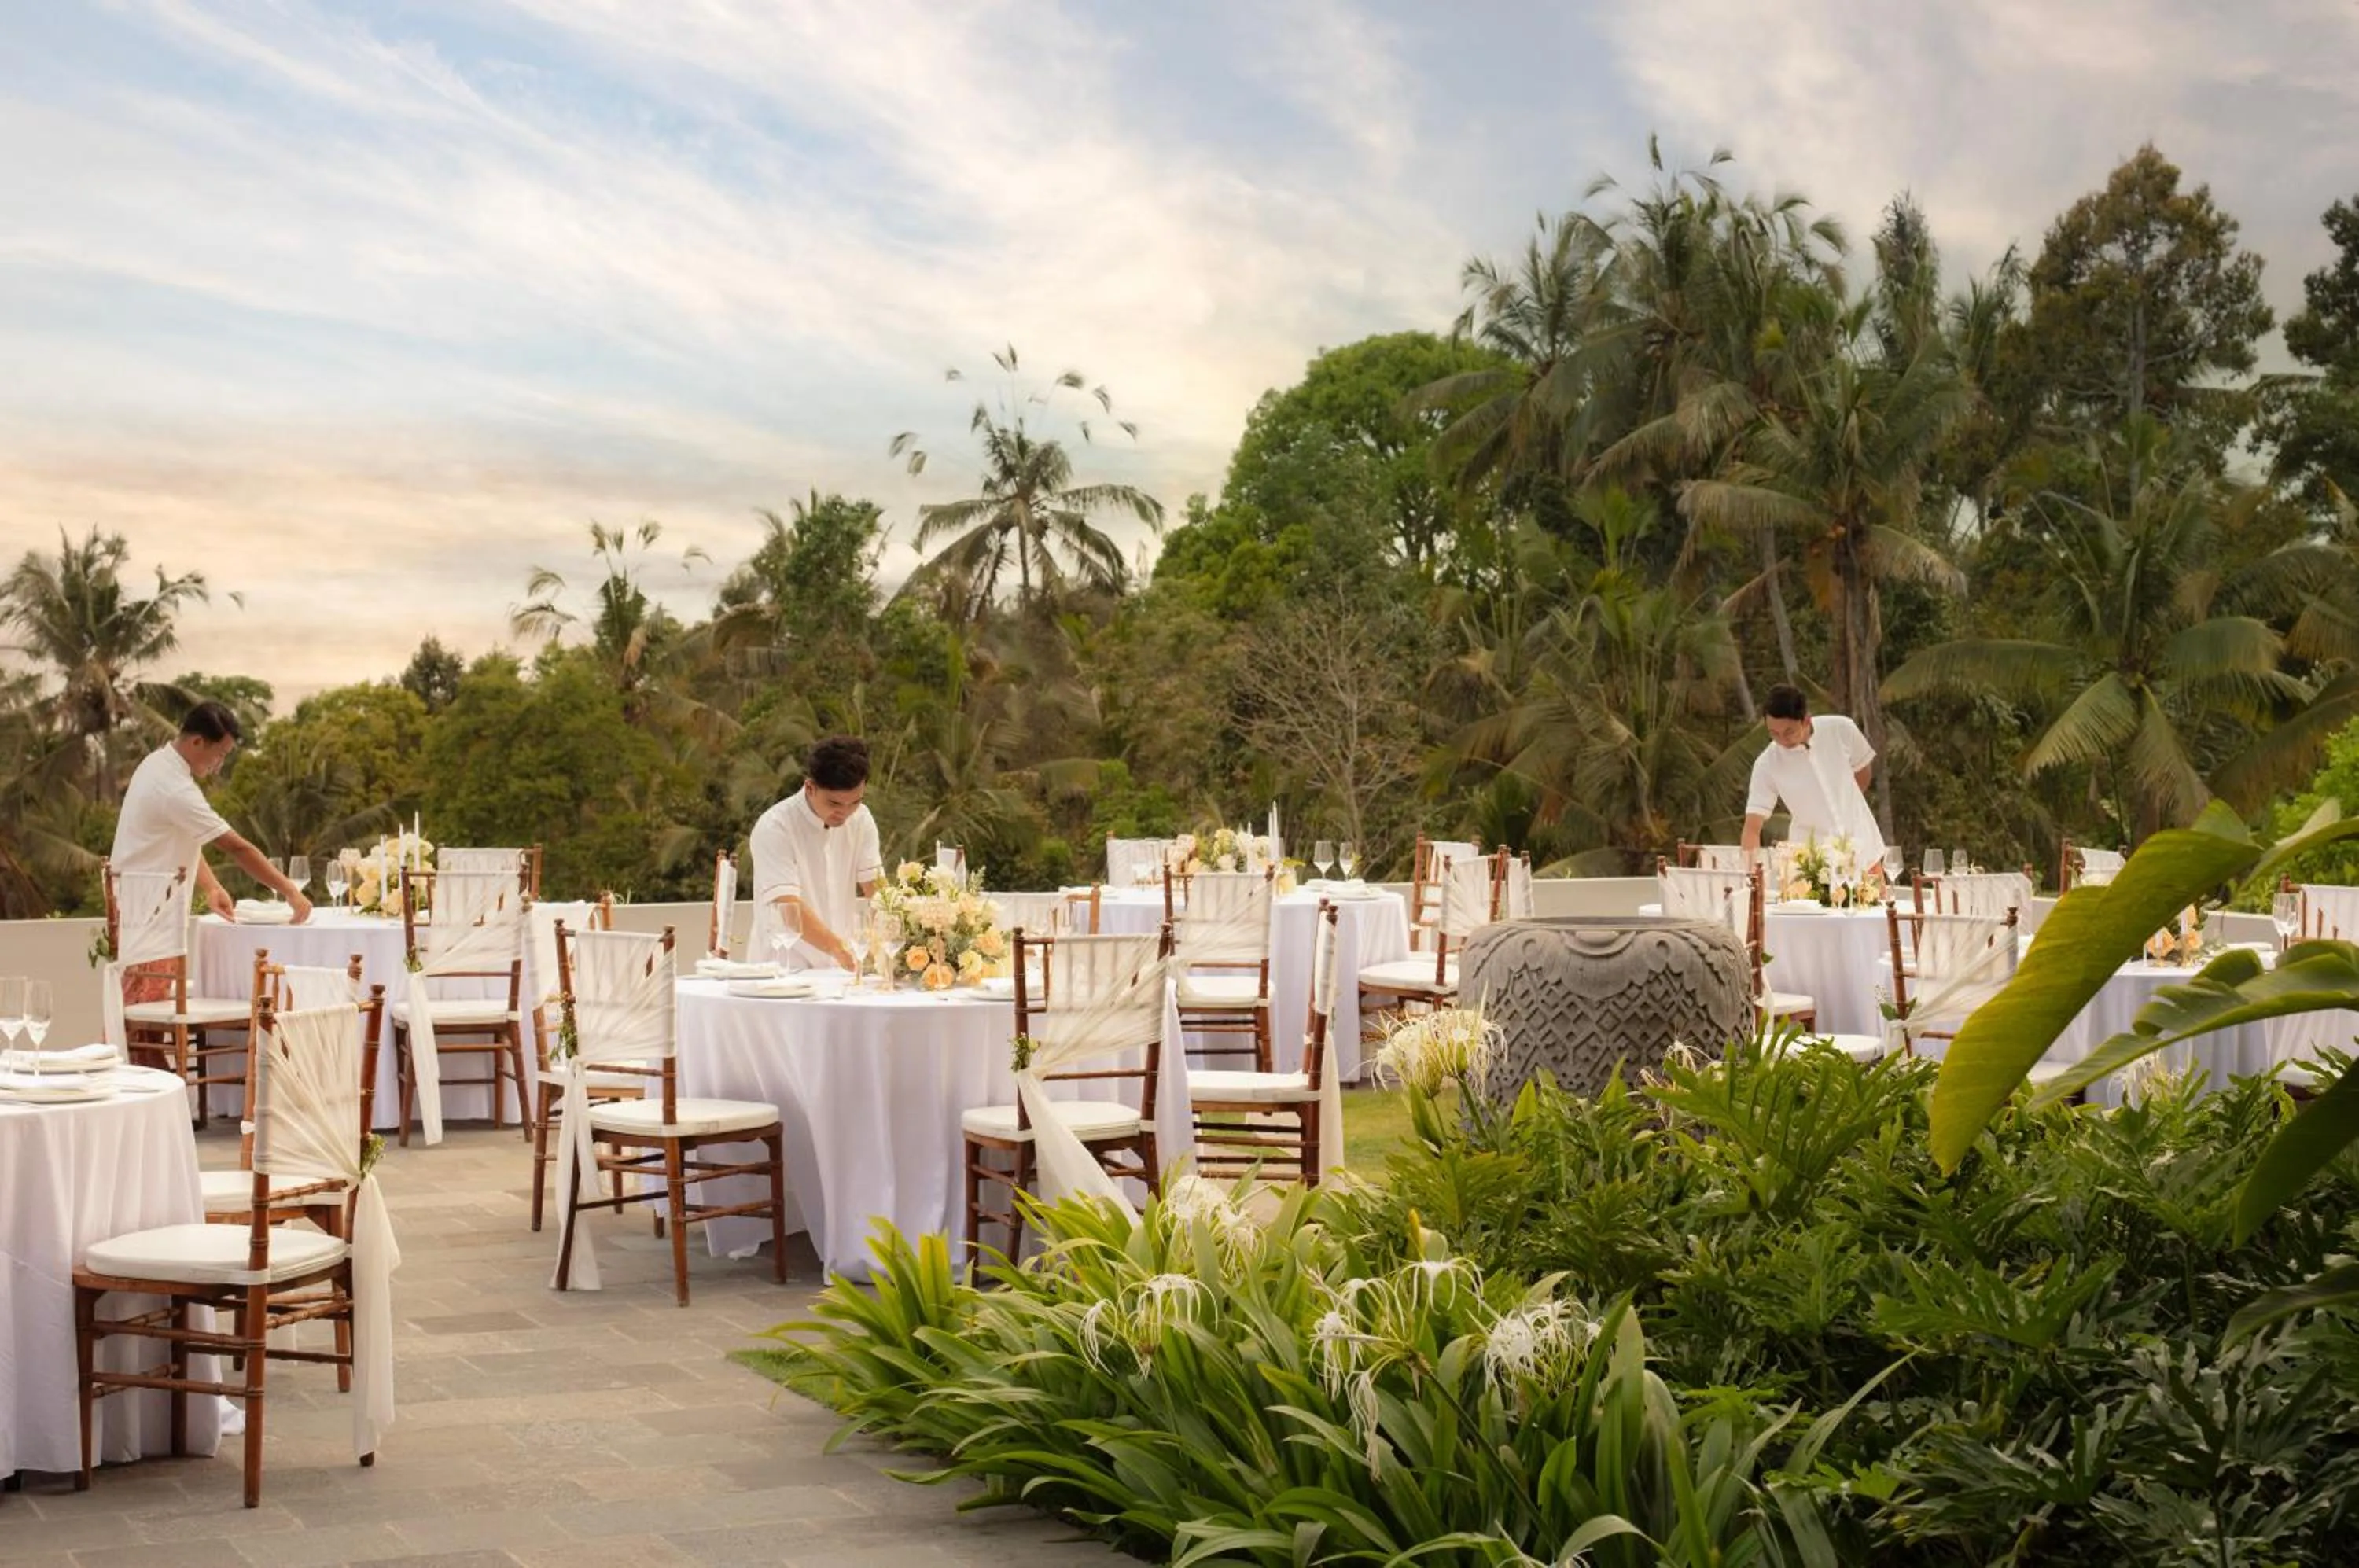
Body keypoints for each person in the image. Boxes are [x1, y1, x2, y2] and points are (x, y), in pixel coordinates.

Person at [110, 701, 313, 1003]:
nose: (219, 765)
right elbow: (237, 847)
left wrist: (212, 886)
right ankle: (120, 1053)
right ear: (196, 742)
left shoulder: (155, 764)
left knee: (137, 1012)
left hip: (138, 908)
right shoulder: (175, 788)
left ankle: (125, 1052)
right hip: (150, 914)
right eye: (220, 755)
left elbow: (183, 837)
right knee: (140, 1013)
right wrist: (290, 891)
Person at [748, 734, 883, 971]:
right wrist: (838, 949)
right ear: (810, 787)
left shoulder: (862, 819)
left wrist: (888, 939)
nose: (845, 813)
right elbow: (789, 907)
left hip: (840, 969)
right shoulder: (775, 826)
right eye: (834, 804)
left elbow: (877, 890)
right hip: (784, 968)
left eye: (855, 802)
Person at [1738, 684, 1887, 869]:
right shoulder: (1767, 764)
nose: (1782, 740)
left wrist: (1847, 804)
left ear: (1806, 720)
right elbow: (1752, 827)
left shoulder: (1842, 729)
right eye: (1774, 734)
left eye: (1788, 732)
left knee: (1876, 897)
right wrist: (1751, 875)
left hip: (1863, 848)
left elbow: (1863, 772)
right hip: (1813, 861)